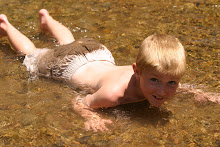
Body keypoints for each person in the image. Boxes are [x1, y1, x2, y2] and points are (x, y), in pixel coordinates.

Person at [0, 9, 218, 132]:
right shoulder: (113, 94)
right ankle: (7, 26)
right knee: (33, 55)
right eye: (155, 81)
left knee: (70, 41)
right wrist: (89, 117)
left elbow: (170, 83)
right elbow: (79, 102)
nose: (163, 91)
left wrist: (200, 93)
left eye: (172, 83)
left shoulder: (156, 77)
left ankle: (48, 20)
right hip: (69, 64)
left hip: (97, 53)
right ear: (137, 71)